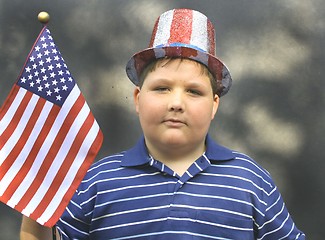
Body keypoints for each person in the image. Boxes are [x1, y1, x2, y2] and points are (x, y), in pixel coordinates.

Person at [20, 8, 305, 239]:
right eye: (161, 88)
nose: (176, 103)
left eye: (193, 91)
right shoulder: (97, 181)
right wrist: (35, 192)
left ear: (214, 105)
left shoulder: (250, 180)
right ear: (137, 98)